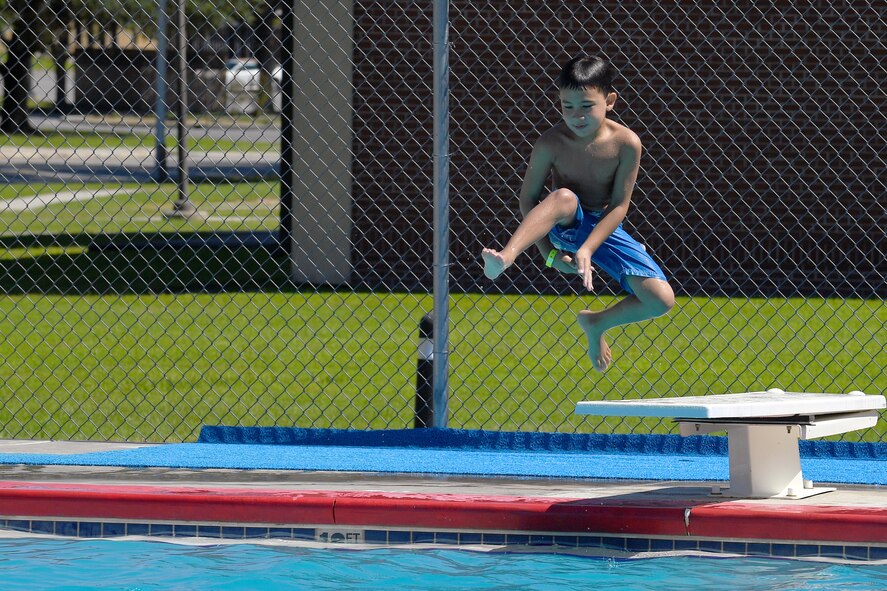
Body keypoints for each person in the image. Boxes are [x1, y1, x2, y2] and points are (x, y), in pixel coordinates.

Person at [481, 55, 675, 371]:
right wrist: (548, 255)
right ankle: (506, 257)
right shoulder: (551, 143)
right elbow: (529, 199)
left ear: (609, 101)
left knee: (661, 298)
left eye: (586, 106)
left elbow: (619, 207)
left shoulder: (627, 143)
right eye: (567, 107)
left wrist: (589, 247)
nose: (576, 115)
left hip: (604, 226)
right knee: (565, 197)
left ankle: (596, 323)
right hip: (567, 221)